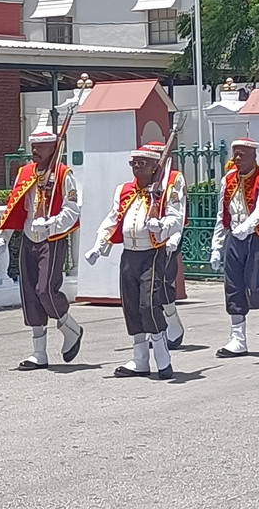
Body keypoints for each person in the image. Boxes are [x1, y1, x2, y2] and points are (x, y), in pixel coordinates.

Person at [85, 143, 186, 380]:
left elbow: (176, 215)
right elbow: (113, 218)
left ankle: (162, 357)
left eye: (142, 163)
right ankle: (140, 359)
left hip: (152, 253)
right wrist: (99, 245)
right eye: (133, 163)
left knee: (148, 304)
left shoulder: (165, 189)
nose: (136, 167)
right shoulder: (124, 190)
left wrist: (162, 225)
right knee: (130, 305)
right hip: (129, 254)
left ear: (154, 166)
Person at [0, 130, 83, 370]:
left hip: (51, 238)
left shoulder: (64, 174)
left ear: (54, 147)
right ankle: (38, 352)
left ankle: (69, 325)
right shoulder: (25, 173)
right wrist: (4, 237)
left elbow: (72, 208)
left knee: (45, 290)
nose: (36, 150)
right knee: (30, 294)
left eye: (42, 146)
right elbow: (15, 206)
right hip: (29, 237)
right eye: (34, 146)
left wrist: (52, 225)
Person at [209, 138, 259, 357]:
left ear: (254, 155)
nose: (237, 158)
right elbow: (221, 213)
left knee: (255, 287)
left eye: (242, 154)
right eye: (235, 154)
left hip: (258, 237)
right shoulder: (228, 180)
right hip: (235, 238)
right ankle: (238, 339)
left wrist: (247, 226)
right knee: (233, 286)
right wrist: (217, 245)